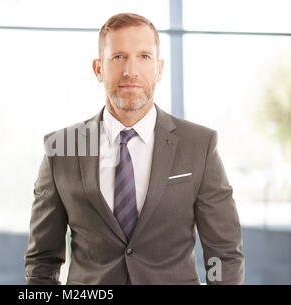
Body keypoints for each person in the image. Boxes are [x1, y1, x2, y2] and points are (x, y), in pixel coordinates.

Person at [24, 13, 244, 285]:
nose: (131, 71)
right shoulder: (61, 149)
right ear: (98, 69)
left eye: (144, 56)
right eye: (118, 57)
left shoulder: (198, 146)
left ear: (159, 68)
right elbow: (42, 262)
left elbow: (223, 254)